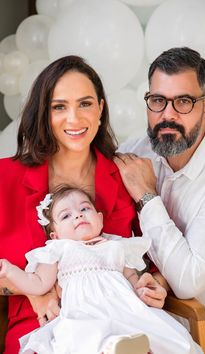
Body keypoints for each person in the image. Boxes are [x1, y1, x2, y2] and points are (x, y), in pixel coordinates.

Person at [0, 55, 166, 354]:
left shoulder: (125, 176)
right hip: (39, 323)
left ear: (101, 109)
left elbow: (155, 258)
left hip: (122, 321)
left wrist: (154, 284)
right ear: (44, 114)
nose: (74, 119)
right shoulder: (5, 178)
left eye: (85, 103)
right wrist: (31, 290)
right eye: (59, 106)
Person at [115, 47, 205, 354]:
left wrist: (147, 197)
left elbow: (187, 281)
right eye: (158, 101)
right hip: (149, 326)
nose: (167, 115)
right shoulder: (137, 151)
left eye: (183, 101)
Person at [0, 185, 202, 354]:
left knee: (156, 333)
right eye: (66, 216)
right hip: (85, 313)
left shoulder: (116, 246)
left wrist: (141, 288)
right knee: (87, 335)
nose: (78, 215)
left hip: (126, 309)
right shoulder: (58, 249)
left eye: (85, 209)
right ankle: (113, 348)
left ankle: (134, 347)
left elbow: (131, 276)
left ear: (100, 219)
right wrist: (9, 271)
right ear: (55, 235)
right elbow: (37, 283)